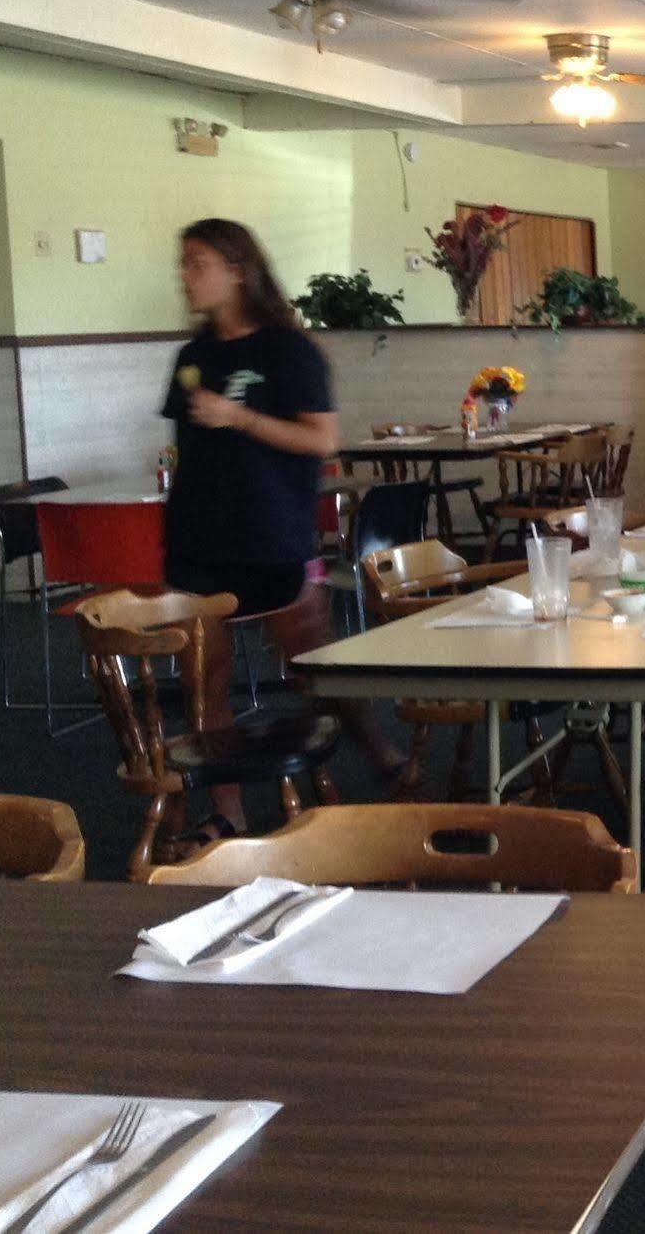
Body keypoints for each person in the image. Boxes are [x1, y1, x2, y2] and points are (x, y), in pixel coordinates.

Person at [162, 218, 368, 842]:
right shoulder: (193, 356)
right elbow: (188, 446)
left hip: (272, 530)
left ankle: (377, 754)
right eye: (184, 263)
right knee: (206, 678)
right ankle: (227, 809)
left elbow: (321, 441)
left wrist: (240, 418)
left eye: (198, 263)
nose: (186, 276)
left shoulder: (288, 350)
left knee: (313, 667)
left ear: (238, 270)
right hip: (200, 535)